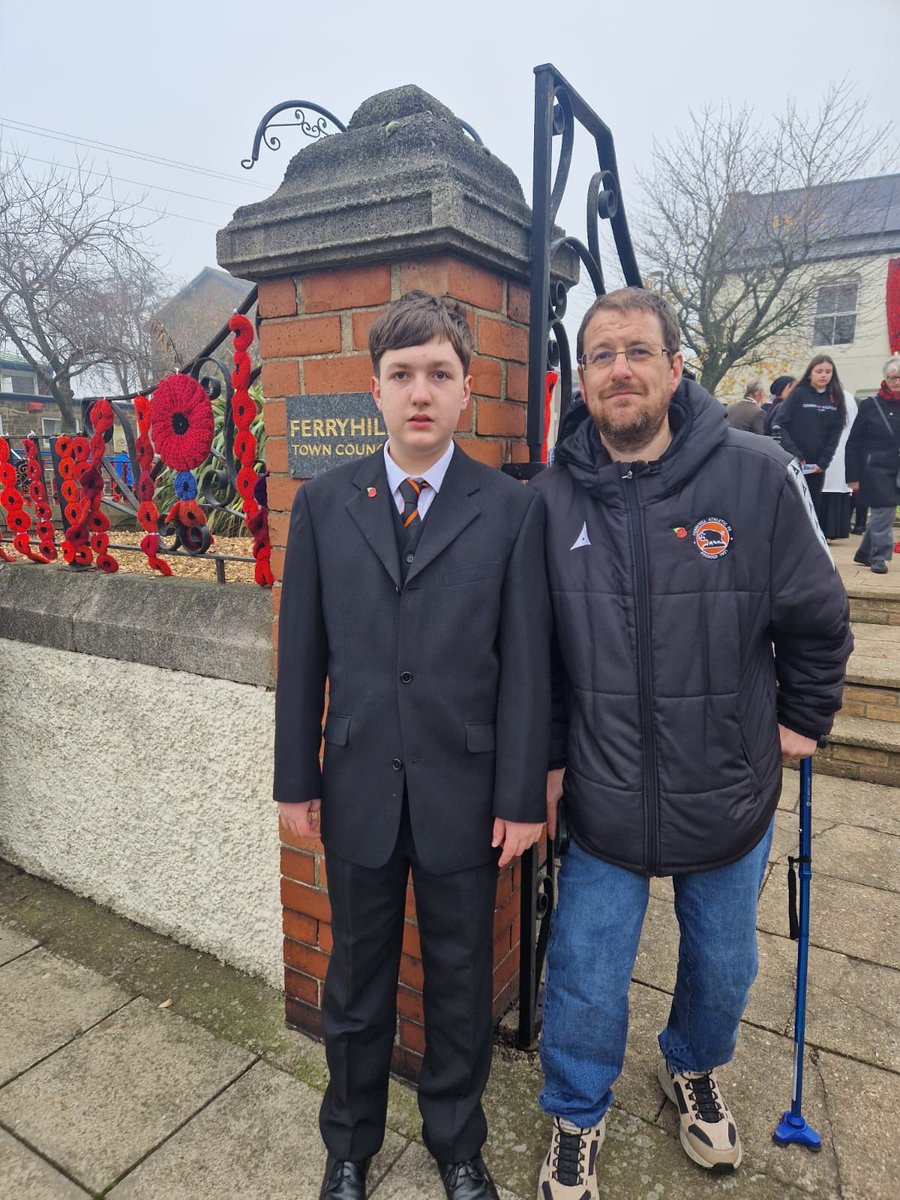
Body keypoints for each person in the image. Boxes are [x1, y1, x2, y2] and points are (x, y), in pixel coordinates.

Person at [530, 287, 851, 1196]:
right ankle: (575, 1116)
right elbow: (541, 658)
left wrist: (801, 720)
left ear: (677, 367)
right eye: (601, 356)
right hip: (604, 796)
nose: (619, 369)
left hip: (729, 785)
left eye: (638, 351)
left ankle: (693, 1066)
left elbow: (820, 621)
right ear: (582, 378)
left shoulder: (754, 475)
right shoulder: (553, 502)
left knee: (725, 965)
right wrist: (549, 763)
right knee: (586, 975)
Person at [274, 291, 551, 1200]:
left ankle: (455, 1143)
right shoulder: (324, 502)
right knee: (355, 987)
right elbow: (302, 652)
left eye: (439, 374)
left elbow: (525, 669)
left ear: (467, 390)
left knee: (462, 985)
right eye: (402, 375)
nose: (420, 392)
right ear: (375, 389)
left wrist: (519, 797)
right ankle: (348, 1145)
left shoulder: (509, 512)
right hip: (356, 784)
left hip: (466, 796)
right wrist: (294, 780)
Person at [770, 355, 846, 526]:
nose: (824, 375)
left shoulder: (835, 398)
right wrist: (795, 453)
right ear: (810, 373)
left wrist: (824, 461)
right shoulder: (798, 394)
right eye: (819, 371)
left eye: (828, 372)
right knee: (792, 502)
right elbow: (779, 424)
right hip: (795, 460)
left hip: (817, 465)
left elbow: (836, 431)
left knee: (812, 505)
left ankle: (810, 545)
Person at [845, 355, 900, 574]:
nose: (896, 381)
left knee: (881, 515)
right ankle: (879, 557)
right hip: (875, 468)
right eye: (892, 377)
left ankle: (864, 553)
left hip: (897, 469)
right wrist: (853, 476)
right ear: (884, 379)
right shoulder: (870, 405)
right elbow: (853, 442)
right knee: (884, 512)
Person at [820, 389, 858, 540]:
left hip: (837, 448)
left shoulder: (843, 397)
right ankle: (833, 529)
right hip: (837, 449)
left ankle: (827, 529)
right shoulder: (847, 397)